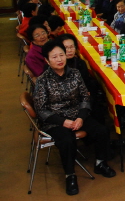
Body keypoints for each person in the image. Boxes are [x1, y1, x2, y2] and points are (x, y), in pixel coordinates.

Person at [33, 40, 116, 195]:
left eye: (61, 55)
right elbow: (41, 109)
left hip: (76, 115)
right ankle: (70, 175)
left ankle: (100, 162)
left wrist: (81, 117)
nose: (59, 59)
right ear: (47, 60)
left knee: (102, 130)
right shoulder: (42, 80)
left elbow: (85, 97)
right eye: (54, 57)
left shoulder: (75, 73)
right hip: (55, 120)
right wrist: (63, 121)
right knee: (67, 140)